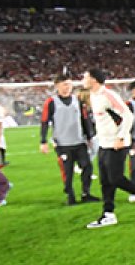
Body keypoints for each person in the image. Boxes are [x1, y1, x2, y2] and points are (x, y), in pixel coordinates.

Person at [82, 68, 135, 229]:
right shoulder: (93, 96)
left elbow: (127, 115)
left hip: (117, 144)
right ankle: (108, 214)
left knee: (116, 178)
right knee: (105, 181)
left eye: (85, 77)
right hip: (104, 143)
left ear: (93, 79)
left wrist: (121, 137)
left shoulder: (108, 95)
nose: (83, 79)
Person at [40, 73, 99, 206]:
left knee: (87, 167)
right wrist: (43, 141)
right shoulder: (51, 102)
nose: (67, 87)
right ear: (57, 86)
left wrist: (90, 137)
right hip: (63, 144)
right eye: (64, 84)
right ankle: (70, 195)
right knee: (68, 171)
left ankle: (86, 193)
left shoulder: (78, 101)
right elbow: (44, 121)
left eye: (69, 84)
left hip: (79, 142)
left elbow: (85, 119)